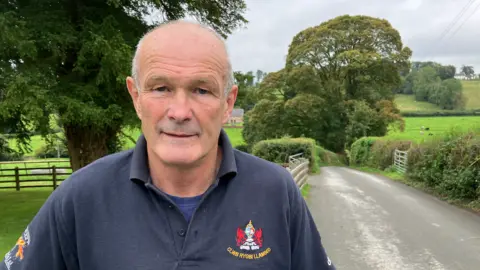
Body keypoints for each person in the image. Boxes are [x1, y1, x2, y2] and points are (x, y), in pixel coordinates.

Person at [1, 20, 335, 270]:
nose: (179, 112)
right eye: (160, 88)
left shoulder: (276, 192)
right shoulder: (80, 197)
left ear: (228, 102)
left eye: (201, 90)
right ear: (136, 97)